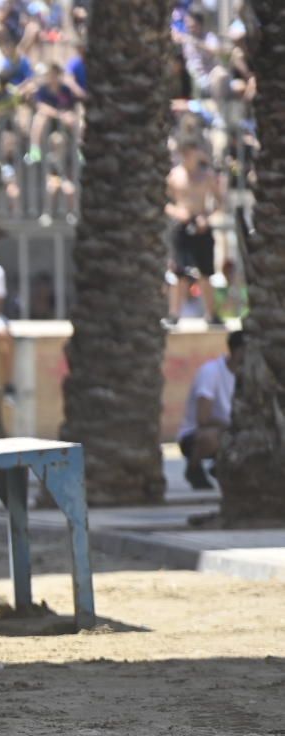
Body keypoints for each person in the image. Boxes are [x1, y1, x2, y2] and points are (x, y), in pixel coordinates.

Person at [166, 139, 226, 328]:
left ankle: (212, 314)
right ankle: (174, 315)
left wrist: (206, 218)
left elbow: (220, 202)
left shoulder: (206, 176)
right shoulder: (174, 176)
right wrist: (178, 212)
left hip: (202, 226)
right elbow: (164, 202)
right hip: (182, 227)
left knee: (205, 272)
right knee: (179, 272)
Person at [177, 329, 243, 490]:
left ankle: (222, 468)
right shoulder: (211, 372)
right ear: (237, 351)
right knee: (211, 438)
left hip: (234, 432)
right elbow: (203, 418)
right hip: (197, 435)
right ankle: (194, 467)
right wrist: (231, 426)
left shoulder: (249, 374)